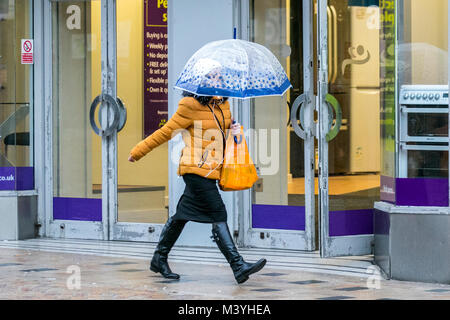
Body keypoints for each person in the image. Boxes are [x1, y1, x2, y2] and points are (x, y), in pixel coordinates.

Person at [128, 91, 266, 284]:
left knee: (181, 216)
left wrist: (235, 131)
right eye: (213, 76)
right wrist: (138, 151)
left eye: (219, 76)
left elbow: (222, 136)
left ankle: (159, 258)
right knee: (218, 213)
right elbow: (166, 131)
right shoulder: (189, 105)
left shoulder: (222, 105)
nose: (218, 80)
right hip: (195, 170)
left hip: (212, 170)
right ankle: (238, 265)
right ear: (202, 81)